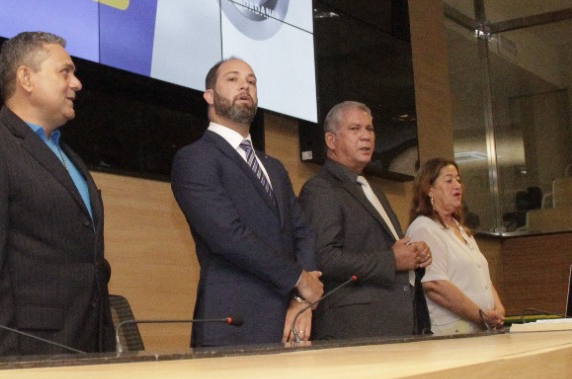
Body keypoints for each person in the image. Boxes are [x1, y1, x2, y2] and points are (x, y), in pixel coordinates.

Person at [0, 31, 112, 357]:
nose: (77, 83)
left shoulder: (70, 157)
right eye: (65, 72)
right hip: (26, 357)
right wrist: (5, 368)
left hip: (87, 353)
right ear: (26, 78)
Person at [170, 57, 322, 347]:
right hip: (233, 324)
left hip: (290, 322)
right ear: (209, 96)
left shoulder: (274, 167)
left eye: (251, 81)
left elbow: (303, 232)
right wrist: (299, 278)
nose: (245, 86)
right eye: (233, 79)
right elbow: (227, 236)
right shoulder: (195, 158)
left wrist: (301, 300)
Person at [298, 101, 432, 340]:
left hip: (393, 324)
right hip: (354, 329)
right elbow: (324, 258)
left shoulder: (373, 191)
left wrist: (414, 255)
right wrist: (392, 260)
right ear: (331, 140)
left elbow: (388, 250)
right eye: (355, 129)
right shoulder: (320, 189)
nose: (366, 136)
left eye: (369, 129)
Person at [405, 158, 505, 335]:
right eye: (449, 180)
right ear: (429, 189)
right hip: (449, 334)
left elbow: (483, 278)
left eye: (458, 180)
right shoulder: (424, 227)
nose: (457, 185)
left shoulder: (462, 230)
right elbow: (434, 284)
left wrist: (498, 310)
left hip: (480, 330)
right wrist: (480, 315)